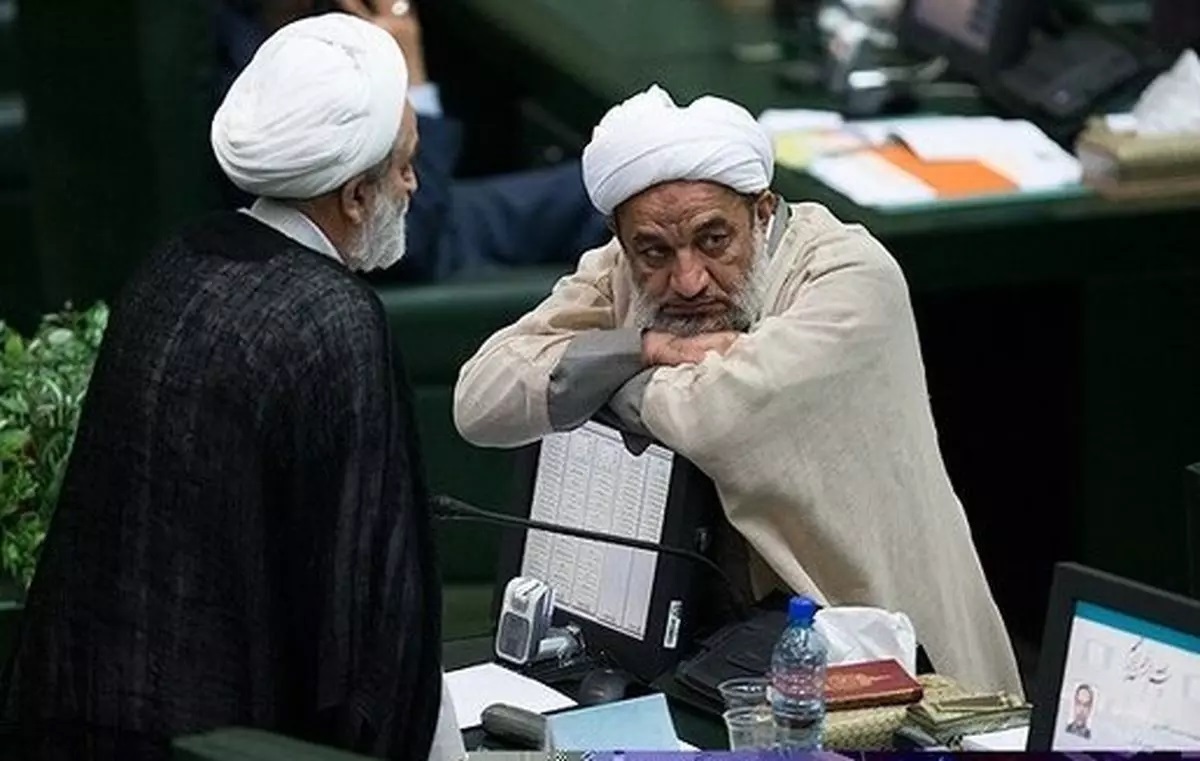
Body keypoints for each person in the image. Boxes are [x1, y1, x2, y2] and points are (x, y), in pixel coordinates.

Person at [453, 84, 1023, 695]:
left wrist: (598, 382)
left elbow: (713, 418)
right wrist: (643, 348)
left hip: (879, 653)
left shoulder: (849, 276)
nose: (688, 280)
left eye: (713, 240)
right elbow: (480, 400)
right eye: (655, 252)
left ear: (762, 211)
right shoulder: (619, 271)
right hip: (713, 656)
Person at [0, 15, 461, 761]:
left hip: (81, 716)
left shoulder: (178, 260)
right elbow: (368, 610)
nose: (414, 183)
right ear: (354, 197)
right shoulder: (332, 319)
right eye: (406, 164)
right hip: (224, 743)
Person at [215, 0, 609, 282]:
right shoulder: (225, 53)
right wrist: (407, 68)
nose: (410, 179)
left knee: (602, 179)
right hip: (392, 233)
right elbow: (412, 232)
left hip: (425, 211)